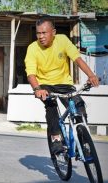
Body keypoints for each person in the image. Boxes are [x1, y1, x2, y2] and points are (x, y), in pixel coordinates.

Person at [24, 18, 99, 154]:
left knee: (79, 107)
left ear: (53, 32)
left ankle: (83, 142)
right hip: (45, 85)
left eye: (44, 33)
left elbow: (77, 59)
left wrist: (91, 75)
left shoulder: (62, 40)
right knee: (51, 106)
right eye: (38, 33)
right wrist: (37, 89)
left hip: (64, 83)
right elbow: (30, 73)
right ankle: (56, 138)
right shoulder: (32, 48)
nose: (41, 36)